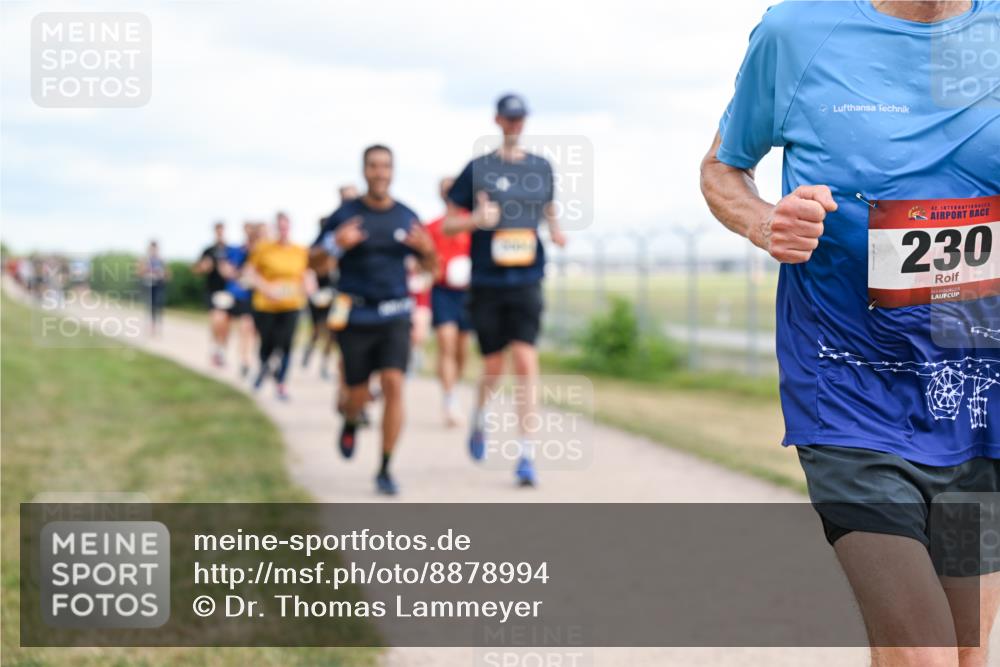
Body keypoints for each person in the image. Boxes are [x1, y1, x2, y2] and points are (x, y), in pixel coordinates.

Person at [700, 2, 999, 665]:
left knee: (968, 651)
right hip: (848, 389)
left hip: (979, 395)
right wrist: (763, 222)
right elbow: (723, 169)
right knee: (923, 653)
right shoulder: (799, 34)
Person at [444, 93, 567, 487]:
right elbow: (448, 225)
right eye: (509, 118)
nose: (515, 124)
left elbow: (548, 209)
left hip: (527, 277)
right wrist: (476, 220)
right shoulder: (478, 169)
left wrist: (557, 231)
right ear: (498, 120)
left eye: (520, 119)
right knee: (494, 367)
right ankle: (480, 415)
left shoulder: (541, 167)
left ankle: (526, 454)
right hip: (488, 281)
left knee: (526, 360)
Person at [313, 145, 437, 496]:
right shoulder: (345, 215)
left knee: (395, 384)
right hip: (355, 314)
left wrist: (428, 251)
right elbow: (315, 263)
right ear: (364, 170)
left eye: (386, 166)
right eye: (373, 166)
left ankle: (385, 467)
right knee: (357, 394)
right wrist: (336, 244)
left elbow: (432, 269)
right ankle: (351, 419)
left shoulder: (407, 216)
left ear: (393, 171)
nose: (380, 172)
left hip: (395, 313)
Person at [244, 212, 316, 401]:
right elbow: (250, 273)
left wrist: (309, 285)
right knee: (267, 343)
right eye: (280, 227)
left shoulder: (299, 250)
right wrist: (266, 287)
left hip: (292, 303)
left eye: (286, 227)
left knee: (286, 343)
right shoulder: (263, 249)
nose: (283, 231)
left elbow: (306, 273)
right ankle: (264, 368)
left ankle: (281, 383)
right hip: (266, 304)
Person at [426, 176, 473, 426]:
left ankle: (453, 386)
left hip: (467, 293)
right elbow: (424, 257)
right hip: (442, 290)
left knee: (462, 349)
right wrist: (432, 268)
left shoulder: (471, 223)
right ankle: (449, 398)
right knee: (446, 343)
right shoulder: (433, 226)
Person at [221, 222, 260, 378]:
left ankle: (245, 360)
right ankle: (223, 350)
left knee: (247, 328)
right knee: (225, 323)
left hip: (252, 296)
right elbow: (226, 269)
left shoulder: (260, 253)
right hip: (235, 294)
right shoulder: (235, 251)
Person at [193, 221, 233, 366]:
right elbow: (196, 270)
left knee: (226, 324)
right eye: (218, 231)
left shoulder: (230, 250)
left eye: (222, 231)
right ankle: (215, 349)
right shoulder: (208, 250)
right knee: (216, 320)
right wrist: (204, 267)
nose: (220, 233)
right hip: (212, 291)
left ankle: (221, 351)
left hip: (228, 291)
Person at [302, 219, 337, 379]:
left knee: (332, 332)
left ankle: (325, 364)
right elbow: (308, 272)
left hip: (334, 297)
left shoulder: (338, 249)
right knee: (317, 330)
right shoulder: (316, 250)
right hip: (317, 297)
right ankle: (309, 350)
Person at [136, 241, 169, 337]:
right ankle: (151, 326)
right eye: (152, 249)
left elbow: (168, 274)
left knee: (158, 305)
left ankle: (156, 325)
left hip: (159, 285)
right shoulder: (145, 260)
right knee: (150, 305)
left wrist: (161, 274)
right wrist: (146, 270)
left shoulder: (161, 260)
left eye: (155, 249)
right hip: (148, 284)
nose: (153, 251)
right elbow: (139, 272)